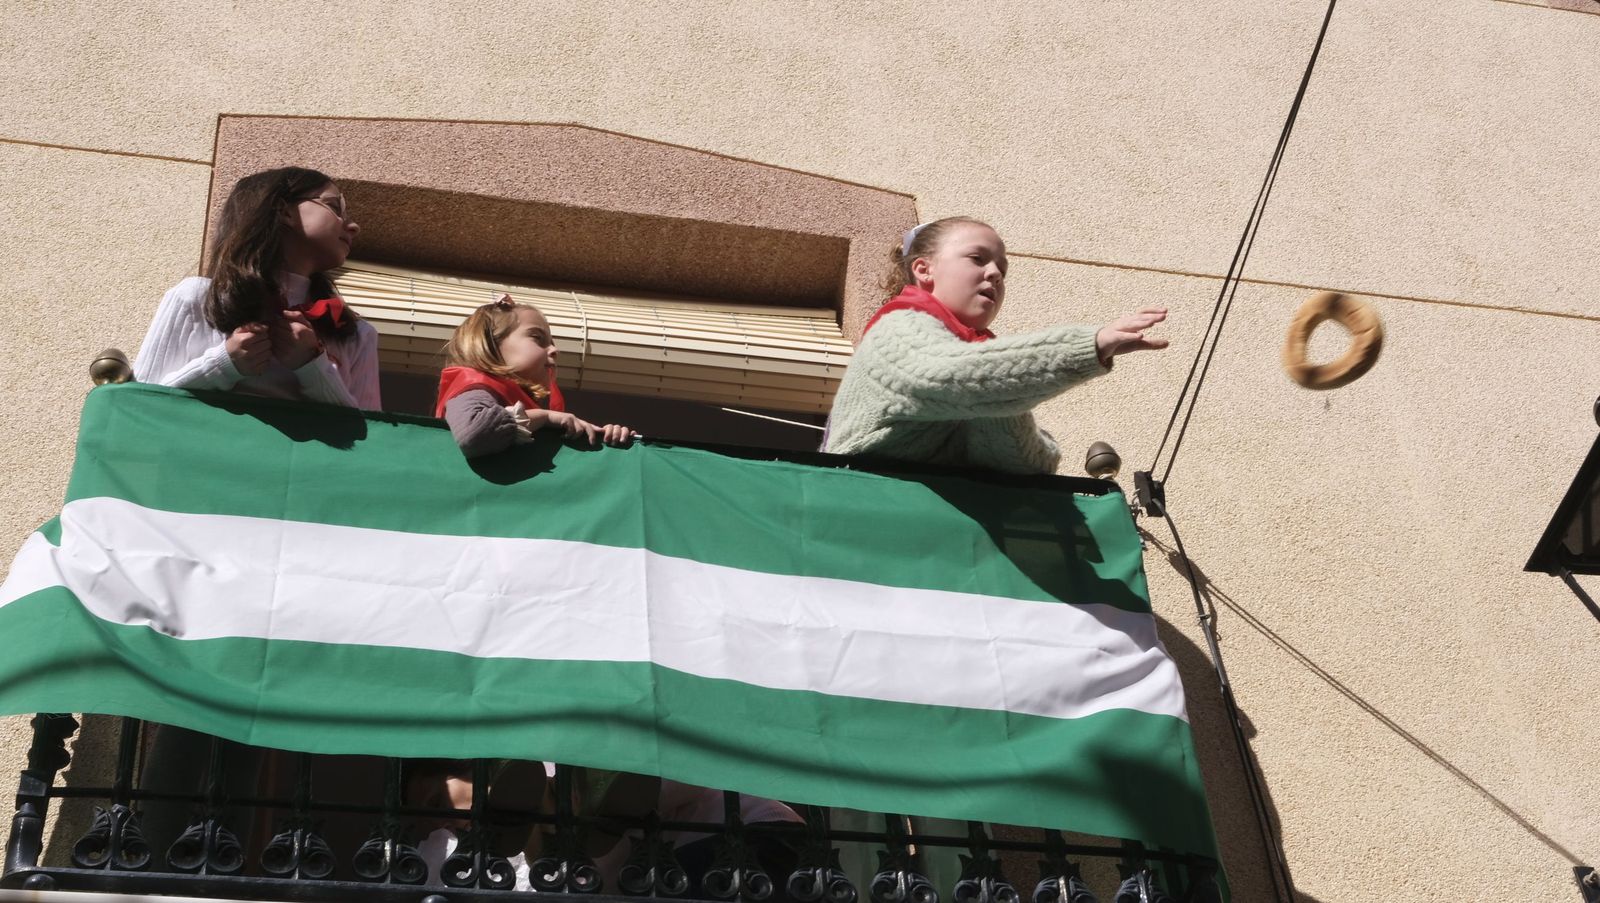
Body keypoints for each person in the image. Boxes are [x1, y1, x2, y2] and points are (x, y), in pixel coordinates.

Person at [823, 216, 1167, 474]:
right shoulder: (896, 327)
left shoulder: (978, 372)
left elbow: (1028, 464)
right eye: (977, 258)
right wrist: (1089, 346)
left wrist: (1006, 396)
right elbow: (946, 376)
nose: (995, 273)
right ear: (924, 270)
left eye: (1002, 267)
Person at [133, 166, 380, 409]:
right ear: (283, 210)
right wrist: (224, 364)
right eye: (335, 207)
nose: (353, 226)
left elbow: (373, 439)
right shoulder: (195, 297)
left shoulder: (355, 333)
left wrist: (312, 366)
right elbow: (137, 404)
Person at [435, 294, 633, 455]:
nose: (554, 350)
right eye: (538, 338)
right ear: (491, 343)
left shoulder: (523, 407)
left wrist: (607, 437)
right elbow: (475, 434)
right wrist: (545, 417)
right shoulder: (474, 386)